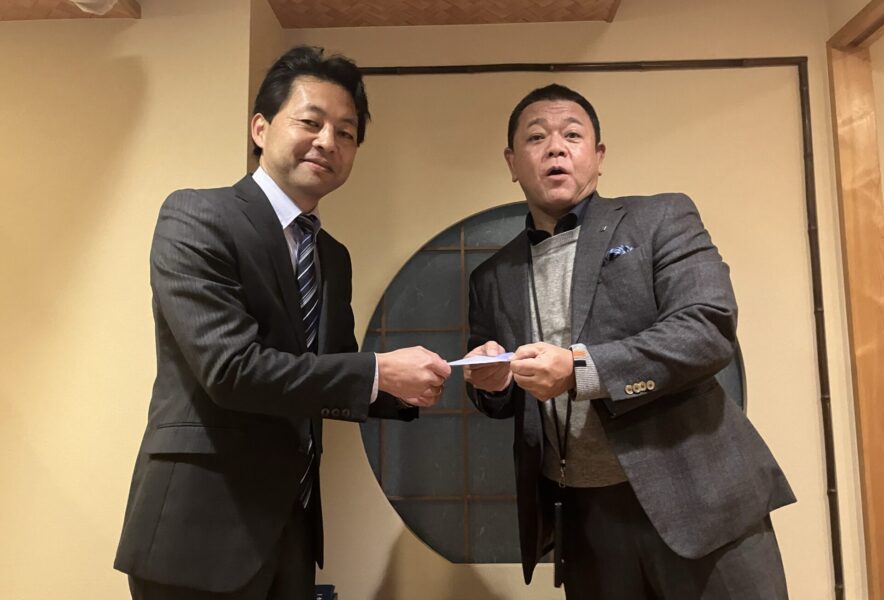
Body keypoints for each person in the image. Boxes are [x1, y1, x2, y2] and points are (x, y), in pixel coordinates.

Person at [114, 45, 451, 599]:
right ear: (260, 127)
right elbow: (230, 370)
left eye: (346, 133)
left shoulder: (331, 256)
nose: (328, 142)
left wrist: (440, 374)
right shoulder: (197, 215)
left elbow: (331, 373)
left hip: (291, 531)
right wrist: (380, 372)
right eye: (310, 122)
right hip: (196, 530)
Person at [463, 83, 795, 599]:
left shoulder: (660, 218)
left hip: (700, 496)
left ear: (598, 157)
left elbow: (707, 328)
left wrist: (580, 369)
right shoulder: (492, 275)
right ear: (512, 162)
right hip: (585, 518)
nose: (555, 148)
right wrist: (490, 382)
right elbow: (503, 399)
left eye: (573, 135)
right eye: (536, 137)